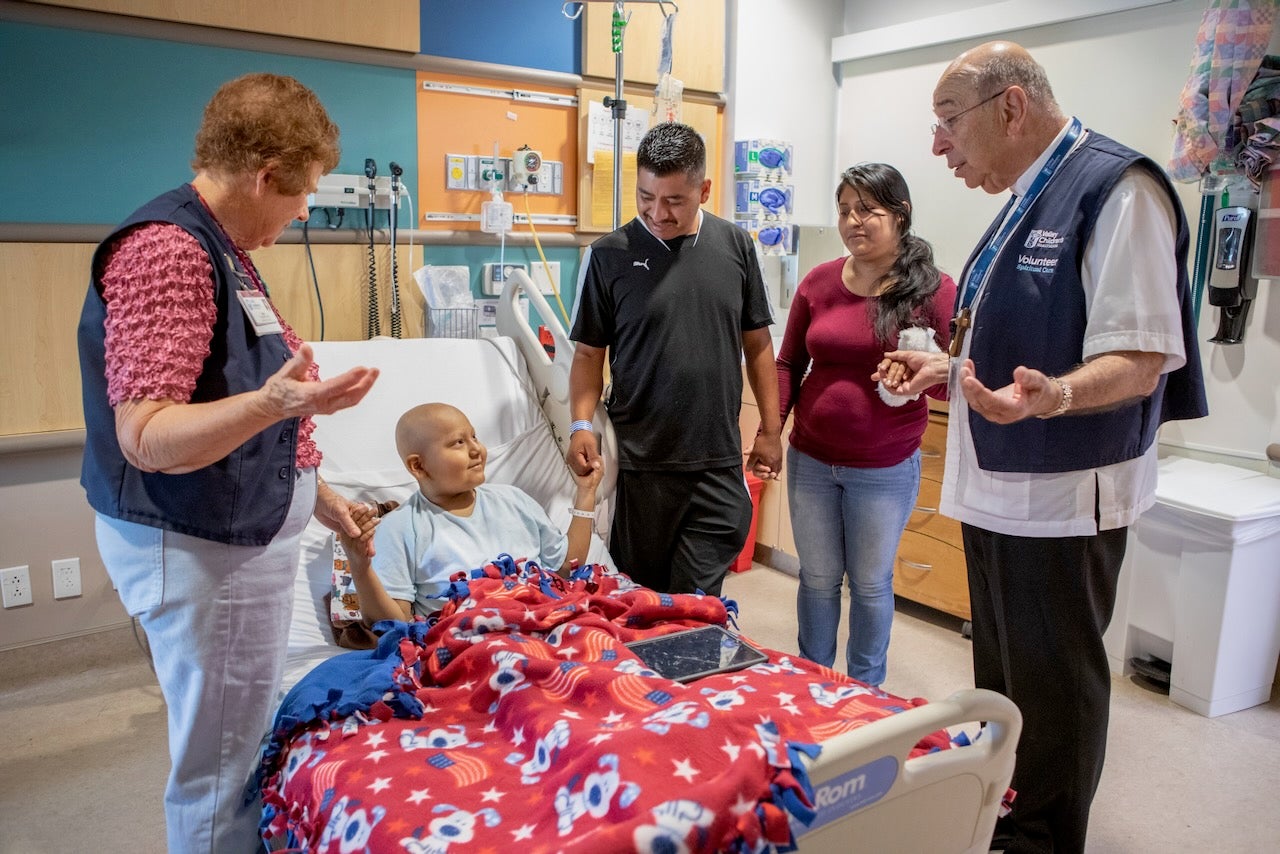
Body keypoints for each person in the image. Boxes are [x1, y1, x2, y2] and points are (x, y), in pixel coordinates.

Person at [876, 42, 1207, 853]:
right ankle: (1008, 817)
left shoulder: (1118, 190)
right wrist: (950, 369)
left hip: (1061, 499)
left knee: (1055, 695)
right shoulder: (1026, 196)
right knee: (1005, 686)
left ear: (1013, 107)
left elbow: (1143, 358)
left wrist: (1052, 396)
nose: (937, 145)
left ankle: (1045, 840)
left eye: (949, 121)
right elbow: (1023, 328)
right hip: (998, 490)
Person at [77, 73, 380, 852]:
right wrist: (275, 404)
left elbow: (237, 394)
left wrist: (320, 497)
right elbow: (147, 434)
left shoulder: (224, 247)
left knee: (237, 747)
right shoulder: (170, 253)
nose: (305, 211)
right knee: (220, 768)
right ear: (265, 175)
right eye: (304, 192)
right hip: (200, 546)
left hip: (231, 535)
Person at [567, 122, 782, 597]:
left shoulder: (736, 246)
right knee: (642, 601)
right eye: (646, 197)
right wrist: (580, 424)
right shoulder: (608, 256)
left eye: (674, 201)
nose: (657, 213)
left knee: (695, 602)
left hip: (715, 460)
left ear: (704, 191)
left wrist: (770, 429)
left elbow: (758, 345)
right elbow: (587, 353)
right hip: (642, 464)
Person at [771, 163, 956, 687]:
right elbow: (788, 363)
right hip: (810, 459)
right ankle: (813, 682)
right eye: (845, 210)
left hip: (883, 468)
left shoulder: (934, 290)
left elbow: (955, 381)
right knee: (817, 578)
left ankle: (865, 690)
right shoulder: (819, 282)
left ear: (901, 215)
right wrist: (770, 431)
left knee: (871, 585)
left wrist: (919, 380)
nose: (853, 221)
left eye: (867, 210)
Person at [339, 402, 604, 624]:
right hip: (473, 643)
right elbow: (393, 625)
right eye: (458, 442)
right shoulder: (400, 527)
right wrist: (361, 568)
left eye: (474, 437)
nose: (477, 449)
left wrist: (586, 493)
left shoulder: (514, 501)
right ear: (418, 466)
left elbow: (566, 567)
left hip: (547, 621)